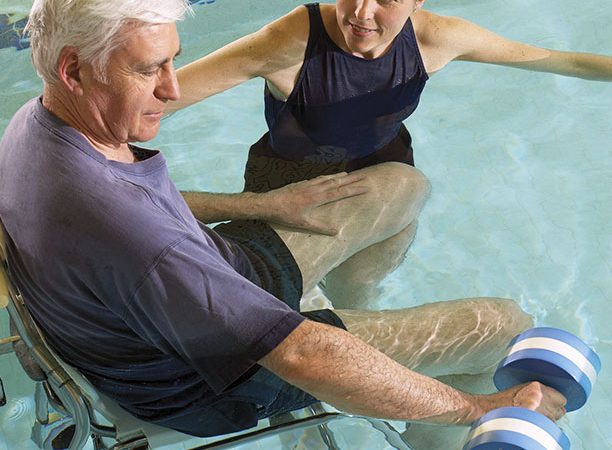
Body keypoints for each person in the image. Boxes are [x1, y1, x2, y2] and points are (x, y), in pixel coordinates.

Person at [0, 0, 566, 447]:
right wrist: (482, 408)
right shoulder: (132, 235)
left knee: (399, 186)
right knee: (503, 327)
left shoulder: (34, 125)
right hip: (218, 381)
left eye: (173, 61)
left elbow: (143, 213)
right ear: (74, 69)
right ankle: (434, 436)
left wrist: (263, 206)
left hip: (205, 288)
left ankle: (361, 325)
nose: (172, 90)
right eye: (149, 70)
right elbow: (298, 355)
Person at [171, 0, 612, 309]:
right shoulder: (292, 41)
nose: (362, 13)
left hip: (387, 175)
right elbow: (162, 98)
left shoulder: (438, 39)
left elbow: (561, 61)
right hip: (289, 187)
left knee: (360, 293)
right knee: (275, 306)